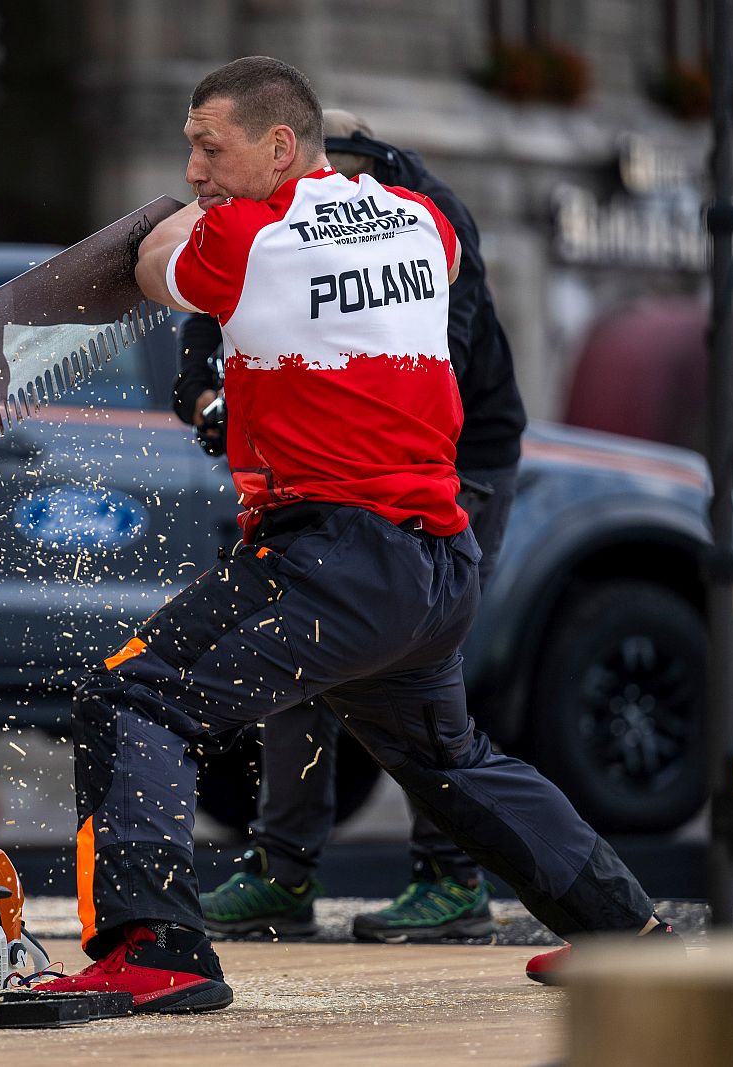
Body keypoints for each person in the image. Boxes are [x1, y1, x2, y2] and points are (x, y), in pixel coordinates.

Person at [34, 56, 672, 1013]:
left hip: (332, 557)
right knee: (450, 761)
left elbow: (148, 264)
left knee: (134, 697)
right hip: (433, 562)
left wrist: (167, 216)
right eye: (190, 156)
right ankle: (628, 933)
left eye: (211, 148)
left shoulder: (243, 235)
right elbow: (441, 257)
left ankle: (156, 948)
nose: (200, 172)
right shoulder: (418, 219)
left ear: (280, 146)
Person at [176, 109, 528, 943]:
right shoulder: (274, 216)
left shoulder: (423, 216)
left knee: (416, 663)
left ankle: (453, 878)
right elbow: (211, 317)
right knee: (304, 652)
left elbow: (433, 353)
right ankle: (283, 872)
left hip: (446, 462)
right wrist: (207, 395)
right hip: (336, 472)